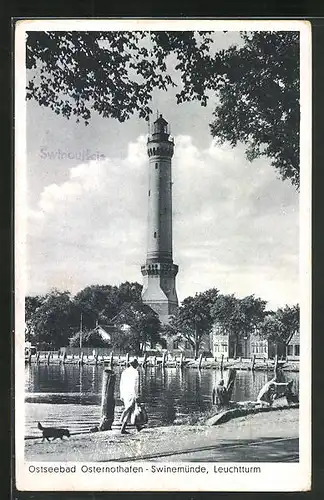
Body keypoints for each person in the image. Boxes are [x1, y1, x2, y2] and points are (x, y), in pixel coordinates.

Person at [119, 358, 142, 434]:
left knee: (131, 410)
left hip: (125, 393)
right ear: (135, 364)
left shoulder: (125, 372)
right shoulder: (135, 372)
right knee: (131, 410)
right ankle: (123, 428)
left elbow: (121, 384)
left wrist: (121, 394)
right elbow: (135, 385)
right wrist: (137, 395)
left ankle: (138, 427)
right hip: (132, 393)